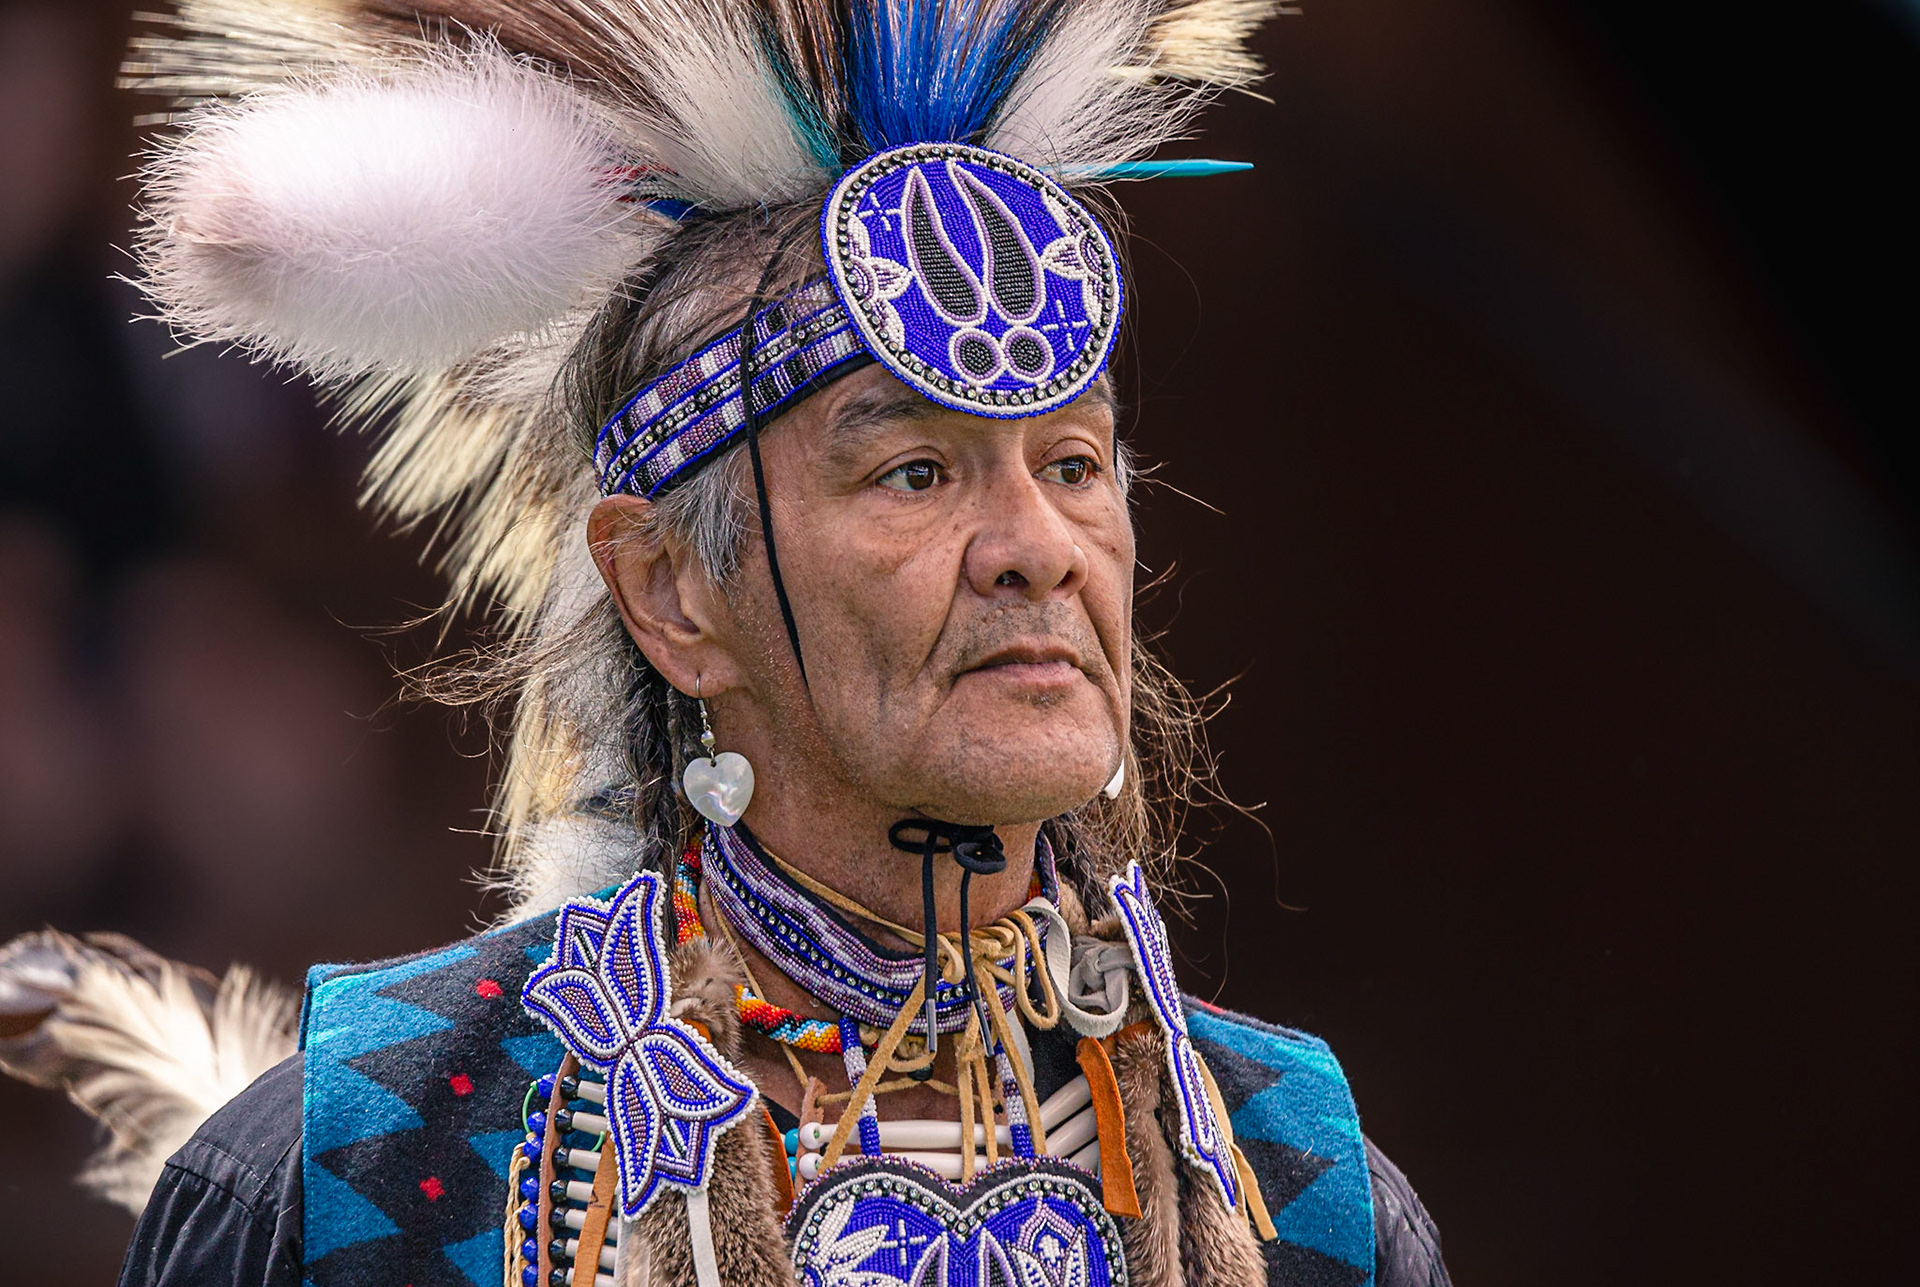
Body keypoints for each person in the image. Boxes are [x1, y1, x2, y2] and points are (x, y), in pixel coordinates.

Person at [0, 3, 1449, 1284]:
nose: (1040, 545)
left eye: (1074, 464)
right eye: (917, 474)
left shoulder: (1305, 1196)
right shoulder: (363, 1168)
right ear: (671, 595)